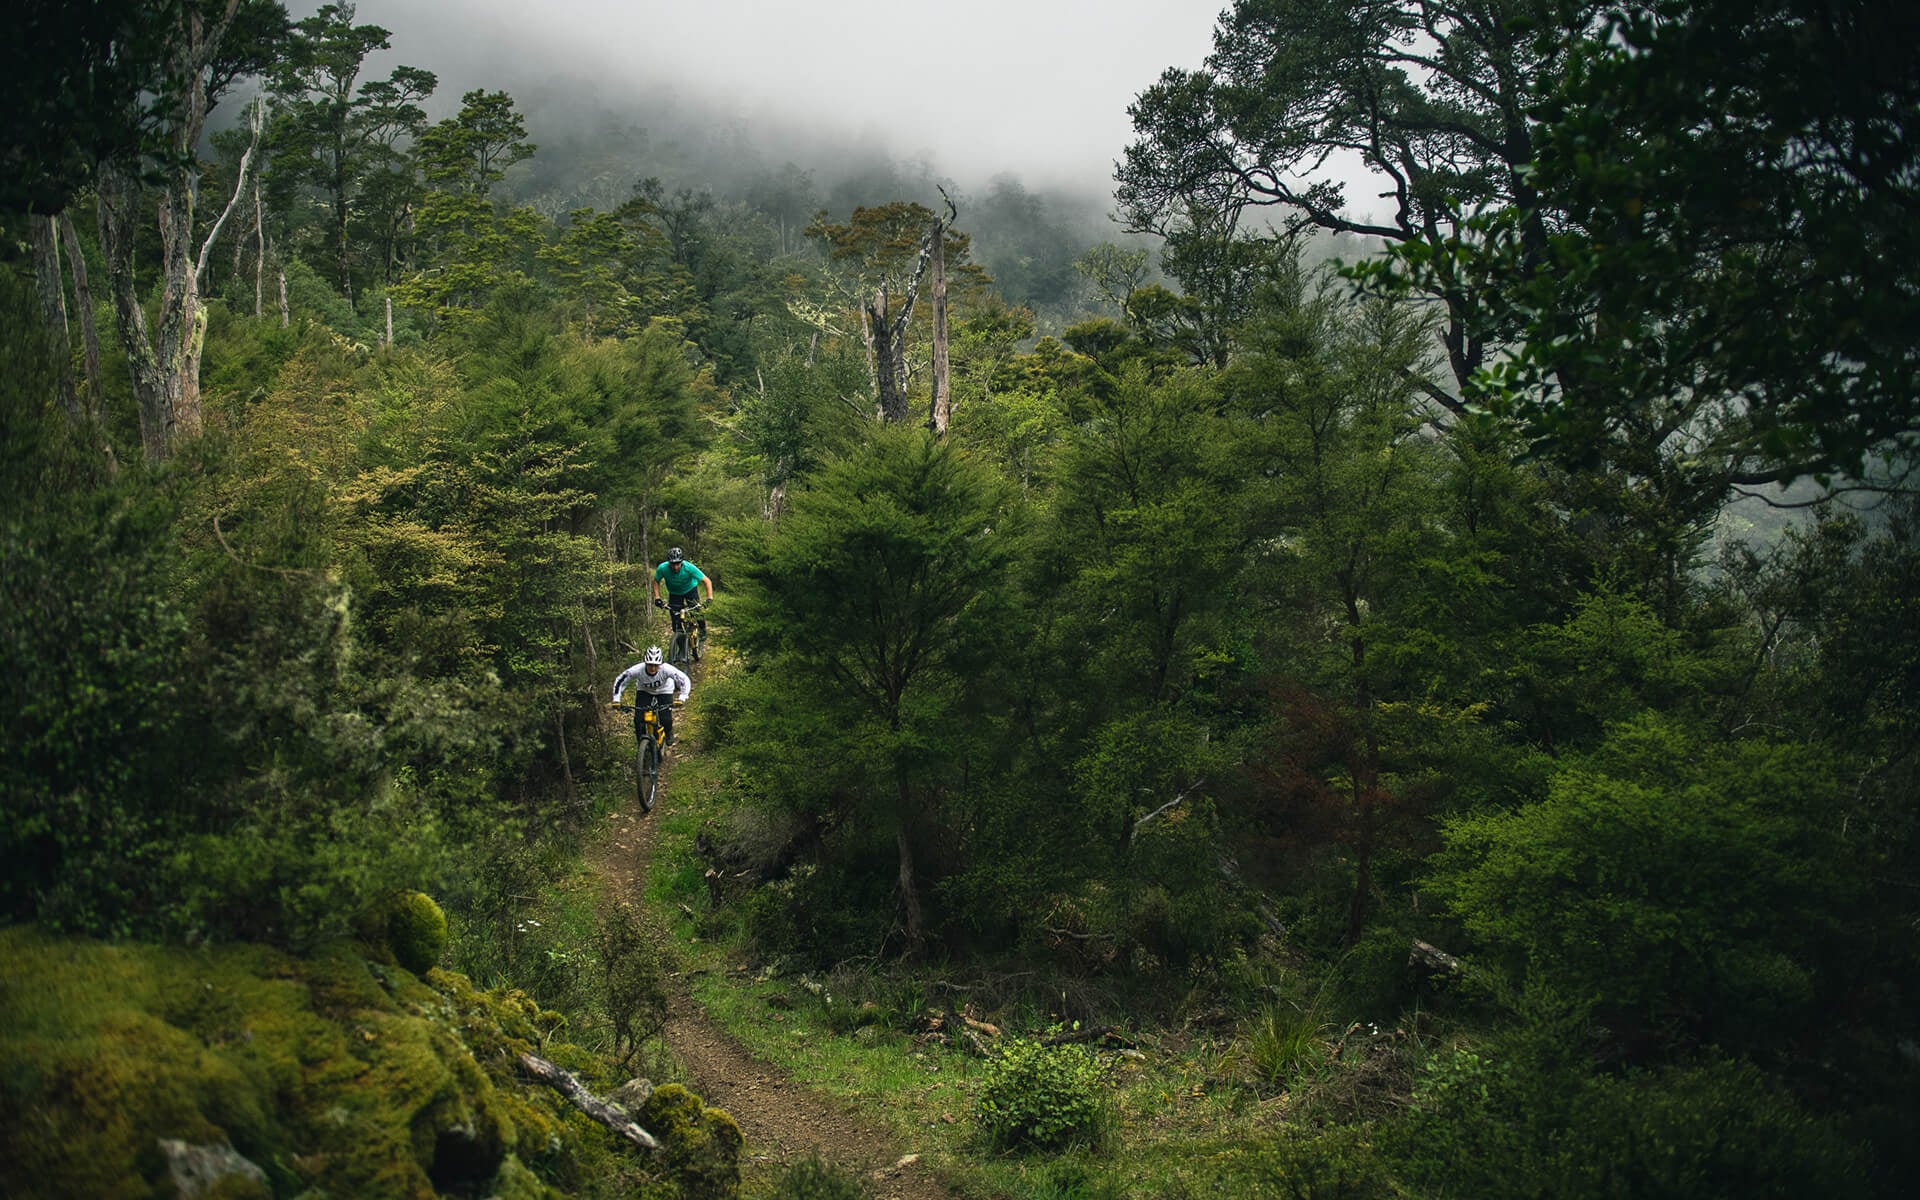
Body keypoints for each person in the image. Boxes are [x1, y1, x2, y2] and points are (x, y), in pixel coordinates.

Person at [612, 646, 691, 746]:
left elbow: (684, 680)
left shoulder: (666, 669)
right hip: (644, 691)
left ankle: (669, 731)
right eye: (650, 665)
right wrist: (616, 699)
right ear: (645, 663)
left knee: (665, 718)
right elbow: (621, 680)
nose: (653, 668)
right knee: (638, 719)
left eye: (656, 665)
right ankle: (641, 744)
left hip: (664, 691)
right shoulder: (637, 669)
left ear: (660, 664)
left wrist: (682, 698)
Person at [651, 546, 715, 645]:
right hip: (674, 593)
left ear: (681, 561)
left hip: (690, 590)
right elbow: (656, 581)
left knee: (696, 611)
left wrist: (709, 598)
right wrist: (657, 597)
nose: (675, 567)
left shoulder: (689, 568)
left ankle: (702, 630)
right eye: (673, 564)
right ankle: (680, 646)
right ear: (669, 562)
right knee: (675, 621)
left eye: (678, 564)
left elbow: (707, 581)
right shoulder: (663, 568)